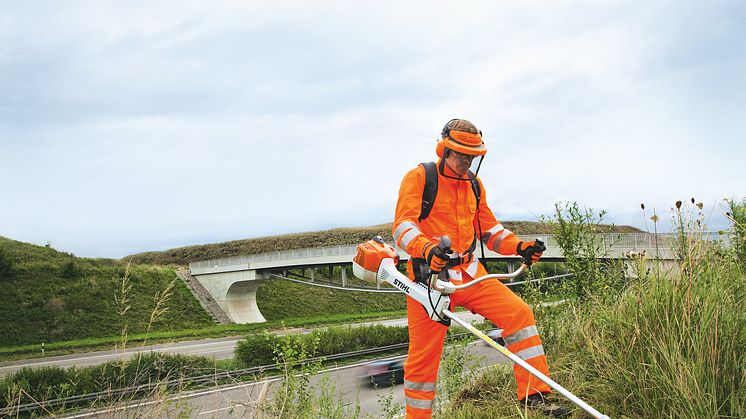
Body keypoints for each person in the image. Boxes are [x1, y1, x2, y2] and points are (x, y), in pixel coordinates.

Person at [392, 119, 570, 418]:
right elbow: (402, 227)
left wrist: (519, 247)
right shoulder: (420, 177)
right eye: (461, 154)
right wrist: (427, 249)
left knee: (519, 315)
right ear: (444, 149)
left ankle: (535, 396)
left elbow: (490, 231)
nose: (467, 160)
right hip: (429, 280)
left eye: (472, 155)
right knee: (423, 361)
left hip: (471, 274)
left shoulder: (474, 185)